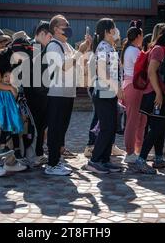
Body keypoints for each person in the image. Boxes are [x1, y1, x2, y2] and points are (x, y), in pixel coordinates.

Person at [44, 15, 91, 176]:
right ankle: (52, 164)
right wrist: (81, 51)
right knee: (55, 129)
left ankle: (56, 160)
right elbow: (64, 66)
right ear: (56, 28)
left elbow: (76, 65)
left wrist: (84, 52)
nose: (68, 27)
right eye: (65, 25)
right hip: (56, 93)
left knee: (62, 129)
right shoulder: (53, 46)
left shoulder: (67, 46)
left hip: (68, 93)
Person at [135, 25, 165, 174]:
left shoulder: (161, 49)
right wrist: (159, 93)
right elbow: (151, 71)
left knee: (162, 126)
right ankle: (141, 160)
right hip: (154, 95)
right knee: (157, 128)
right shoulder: (159, 49)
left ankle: (159, 158)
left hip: (159, 94)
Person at [0, 45, 28, 178]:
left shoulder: (17, 61)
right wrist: (9, 88)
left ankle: (10, 162)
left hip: (7, 101)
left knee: (10, 128)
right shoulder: (0, 57)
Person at [85, 18, 123, 174]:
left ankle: (105, 160)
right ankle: (94, 161)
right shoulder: (103, 47)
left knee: (111, 127)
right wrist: (117, 88)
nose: (116, 31)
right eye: (113, 28)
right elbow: (102, 71)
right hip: (103, 91)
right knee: (107, 127)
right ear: (107, 31)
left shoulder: (109, 47)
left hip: (109, 91)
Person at [24, 21, 53, 163]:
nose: (51, 40)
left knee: (39, 125)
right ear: (41, 33)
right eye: (50, 36)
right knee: (37, 125)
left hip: (37, 93)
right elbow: (37, 79)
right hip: (36, 95)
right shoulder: (35, 48)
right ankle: (36, 154)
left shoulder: (35, 47)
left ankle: (37, 153)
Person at [120, 24, 147, 163]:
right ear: (138, 37)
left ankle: (136, 149)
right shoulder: (134, 51)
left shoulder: (129, 50)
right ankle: (130, 151)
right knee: (133, 121)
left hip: (133, 86)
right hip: (134, 87)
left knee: (140, 120)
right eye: (142, 36)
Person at [0, 61, 24, 158]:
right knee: (4, 129)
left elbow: (15, 98)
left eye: (10, 77)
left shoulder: (13, 88)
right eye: (6, 76)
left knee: (14, 130)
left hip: (11, 113)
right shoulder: (1, 86)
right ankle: (3, 147)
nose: (8, 79)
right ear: (2, 78)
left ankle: (17, 149)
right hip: (3, 112)